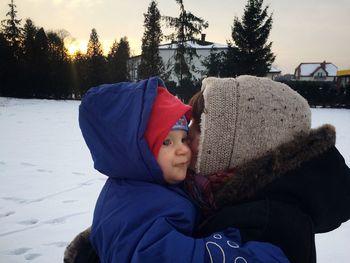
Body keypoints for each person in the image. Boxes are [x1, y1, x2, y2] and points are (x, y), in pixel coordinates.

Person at [69, 77, 289, 263]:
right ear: (137, 152)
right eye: (166, 142)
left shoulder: (153, 184)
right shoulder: (136, 204)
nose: (184, 149)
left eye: (183, 139)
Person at [186, 76, 350, 263]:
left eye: (200, 127)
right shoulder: (214, 195)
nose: (186, 133)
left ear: (244, 145)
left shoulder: (267, 225)